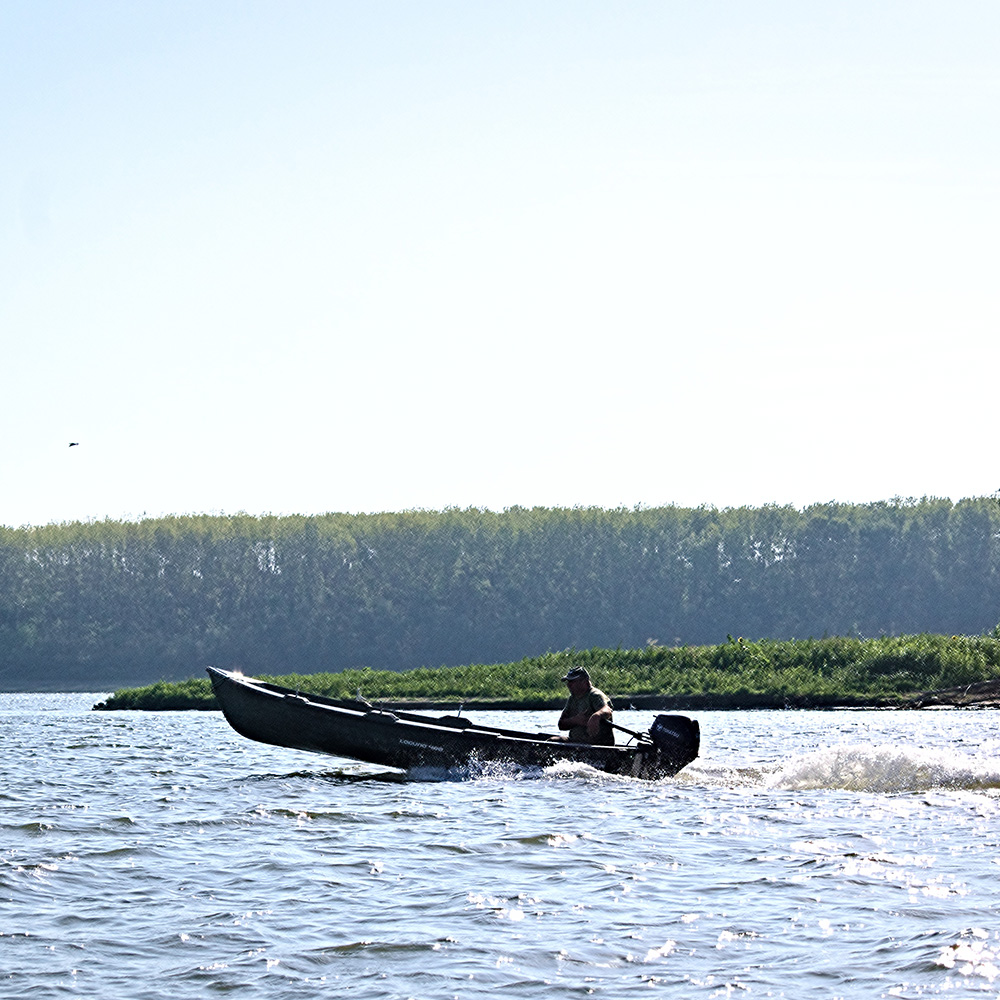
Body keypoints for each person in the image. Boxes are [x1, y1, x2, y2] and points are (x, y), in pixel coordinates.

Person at [557, 666, 614, 745]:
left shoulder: (595, 695)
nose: (568, 685)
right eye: (568, 682)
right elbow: (561, 724)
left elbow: (607, 710)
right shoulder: (572, 698)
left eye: (572, 682)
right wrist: (576, 720)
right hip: (576, 743)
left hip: (597, 746)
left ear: (584, 682)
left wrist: (596, 716)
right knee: (551, 742)